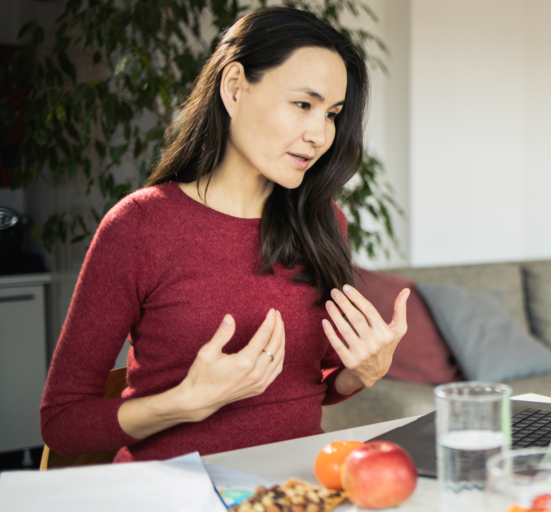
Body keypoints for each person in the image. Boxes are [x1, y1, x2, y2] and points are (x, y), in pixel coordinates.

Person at [40, 7, 409, 463]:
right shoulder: (139, 226)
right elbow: (62, 423)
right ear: (234, 88)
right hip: (175, 491)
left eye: (332, 114)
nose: (319, 134)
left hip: (296, 486)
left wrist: (359, 373)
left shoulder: (323, 222)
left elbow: (305, 386)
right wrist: (184, 402)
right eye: (302, 104)